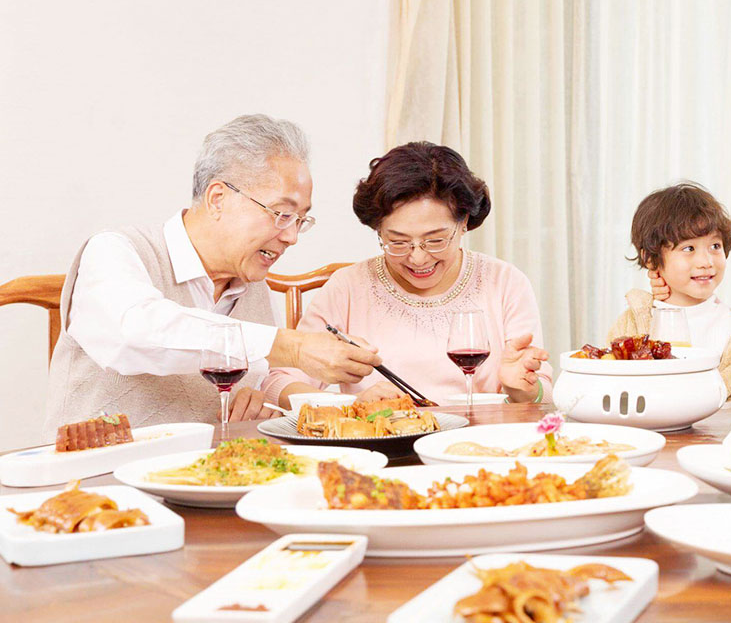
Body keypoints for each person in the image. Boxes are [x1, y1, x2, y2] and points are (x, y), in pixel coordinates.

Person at [43, 114, 381, 433]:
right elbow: (137, 331)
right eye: (281, 214)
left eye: (300, 220)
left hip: (199, 480)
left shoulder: (249, 280)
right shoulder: (115, 250)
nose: (291, 236)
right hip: (94, 482)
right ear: (218, 199)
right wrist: (292, 346)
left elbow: (259, 376)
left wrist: (332, 406)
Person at [259, 142, 551, 406]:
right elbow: (279, 381)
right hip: (383, 453)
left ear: (464, 223)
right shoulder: (348, 288)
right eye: (397, 242)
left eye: (435, 240)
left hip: (479, 452)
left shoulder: (504, 283)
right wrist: (350, 406)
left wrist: (522, 388)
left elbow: (542, 395)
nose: (418, 257)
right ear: (378, 230)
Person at [608, 183, 731, 402]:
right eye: (689, 248)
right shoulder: (632, 323)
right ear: (651, 259)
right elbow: (608, 386)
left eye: (715, 246)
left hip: (712, 436)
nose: (706, 262)